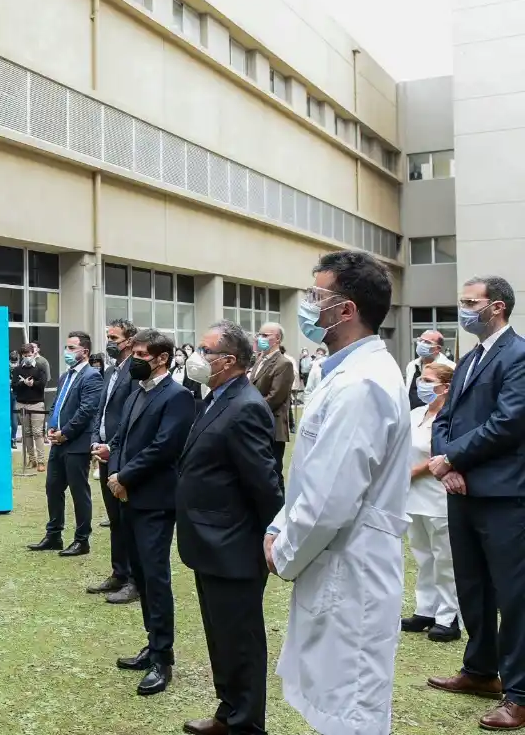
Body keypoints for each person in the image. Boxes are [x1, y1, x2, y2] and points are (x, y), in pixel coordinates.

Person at [265, 250, 411, 735]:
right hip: (336, 560)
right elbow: (310, 474)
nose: (306, 305)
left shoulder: (363, 383)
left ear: (345, 310)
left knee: (352, 707)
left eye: (316, 296)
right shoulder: (337, 372)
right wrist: (279, 524)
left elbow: (330, 497)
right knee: (331, 695)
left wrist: (282, 548)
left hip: (354, 566)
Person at [426, 276, 525, 730]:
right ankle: (481, 670)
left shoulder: (518, 355)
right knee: (472, 584)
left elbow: (508, 424)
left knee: (514, 594)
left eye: (471, 302)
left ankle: (519, 693)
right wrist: (448, 462)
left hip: (505, 494)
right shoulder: (469, 357)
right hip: (462, 488)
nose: (464, 309)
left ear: (498, 307)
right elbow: (444, 416)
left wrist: (452, 457)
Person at [177, 320, 284, 735]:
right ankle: (229, 713)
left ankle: (247, 724)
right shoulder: (215, 397)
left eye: (205, 351)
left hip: (233, 546)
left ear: (229, 361)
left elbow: (266, 484)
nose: (197, 359)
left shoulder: (246, 406)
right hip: (208, 542)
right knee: (220, 637)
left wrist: (271, 538)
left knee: (240, 641)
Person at [101, 329, 195, 696]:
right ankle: (151, 643)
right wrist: (112, 462)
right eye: (134, 351)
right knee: (140, 575)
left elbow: (163, 448)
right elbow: (122, 437)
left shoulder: (178, 397)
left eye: (142, 353)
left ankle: (163, 658)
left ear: (162, 358)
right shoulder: (136, 393)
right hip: (126, 495)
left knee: (156, 578)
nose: (135, 358)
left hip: (154, 499)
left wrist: (125, 475)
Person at [28, 332, 104, 557]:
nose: (67, 352)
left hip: (77, 444)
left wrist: (66, 433)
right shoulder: (65, 376)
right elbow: (57, 405)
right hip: (58, 443)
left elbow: (87, 410)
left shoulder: (92, 376)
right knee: (53, 488)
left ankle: (82, 540)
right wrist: (51, 427)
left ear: (85, 352)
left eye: (72, 348)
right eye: (66, 347)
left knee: (79, 493)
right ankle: (53, 535)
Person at [402, 361, 461, 643]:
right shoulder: (415, 414)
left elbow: (443, 453)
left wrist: (413, 471)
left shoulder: (454, 416)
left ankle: (449, 616)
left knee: (445, 558)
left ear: (446, 386)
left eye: (428, 380)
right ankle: (426, 608)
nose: (421, 385)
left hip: (438, 495)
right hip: (412, 495)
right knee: (423, 556)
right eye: (421, 379)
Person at [87, 319, 139, 604]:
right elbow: (101, 411)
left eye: (114, 337)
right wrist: (96, 439)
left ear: (129, 340)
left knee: (127, 518)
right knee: (115, 520)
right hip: (105, 452)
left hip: (122, 454)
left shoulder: (135, 371)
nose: (109, 342)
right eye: (107, 336)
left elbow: (131, 416)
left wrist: (112, 445)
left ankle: (133, 579)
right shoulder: (109, 371)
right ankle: (119, 573)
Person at [250, 323, 295, 489]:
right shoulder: (260, 360)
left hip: (272, 427)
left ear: (277, 339)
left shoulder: (284, 364)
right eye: (259, 334)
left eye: (265, 335)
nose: (260, 338)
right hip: (257, 424)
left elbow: (275, 397)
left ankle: (278, 509)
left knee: (273, 474)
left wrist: (248, 409)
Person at [13, 347, 49, 471]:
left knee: (38, 432)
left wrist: (33, 384)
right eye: (24, 355)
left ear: (33, 353)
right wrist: (23, 383)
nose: (27, 357)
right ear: (21, 355)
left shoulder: (40, 367)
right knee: (26, 433)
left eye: (29, 354)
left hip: (36, 404)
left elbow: (43, 384)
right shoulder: (17, 369)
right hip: (21, 404)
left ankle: (40, 461)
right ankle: (31, 459)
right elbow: (14, 386)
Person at [403, 329, 456, 411]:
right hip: (412, 416)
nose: (421, 344)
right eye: (420, 340)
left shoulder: (450, 367)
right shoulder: (412, 365)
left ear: (438, 348)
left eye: (427, 342)